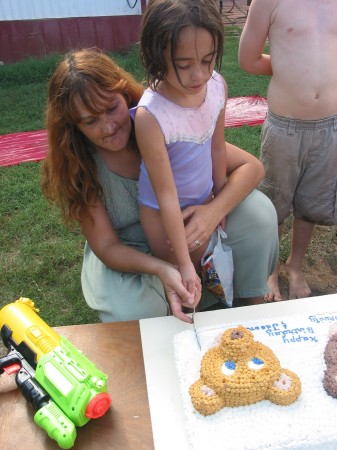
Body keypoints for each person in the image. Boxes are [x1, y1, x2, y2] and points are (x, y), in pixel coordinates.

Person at [41, 47, 278, 325]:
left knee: (258, 213)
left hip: (184, 234)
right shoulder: (79, 165)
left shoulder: (158, 123)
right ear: (73, 126)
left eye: (111, 108)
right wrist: (161, 269)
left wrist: (213, 210)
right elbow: (106, 246)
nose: (108, 127)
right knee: (131, 313)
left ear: (124, 93)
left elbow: (252, 168)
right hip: (130, 255)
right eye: (91, 121)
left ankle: (247, 299)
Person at [239, 0, 337, 301]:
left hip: (330, 126)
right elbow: (248, 59)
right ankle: (272, 269)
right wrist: (288, 67)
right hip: (285, 127)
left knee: (310, 202)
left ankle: (295, 266)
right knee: (275, 202)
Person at [132, 0, 229, 298]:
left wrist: (221, 202)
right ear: (155, 55)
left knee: (209, 273)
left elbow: (217, 148)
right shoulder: (152, 116)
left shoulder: (217, 86)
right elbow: (166, 194)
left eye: (208, 60)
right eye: (184, 64)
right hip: (164, 219)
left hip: (202, 202)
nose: (199, 75)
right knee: (185, 284)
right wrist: (184, 264)